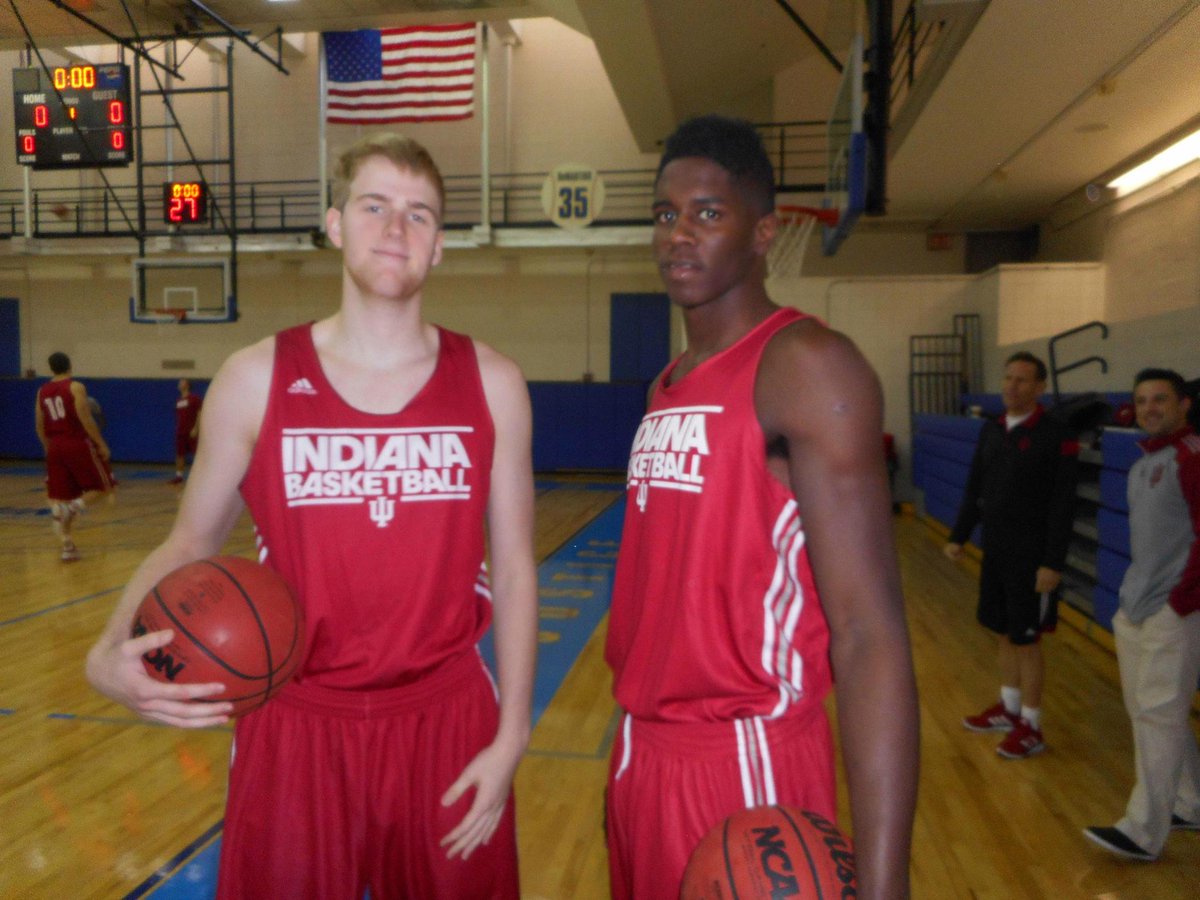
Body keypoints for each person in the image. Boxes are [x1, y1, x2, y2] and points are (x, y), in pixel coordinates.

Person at [85, 134, 538, 898]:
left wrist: (513, 735)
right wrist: (106, 653)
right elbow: (190, 541)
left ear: (441, 247)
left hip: (447, 721)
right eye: (375, 206)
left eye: (420, 214)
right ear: (334, 225)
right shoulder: (254, 377)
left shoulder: (492, 382)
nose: (397, 229)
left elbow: (518, 563)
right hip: (295, 722)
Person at [604, 115, 919, 900]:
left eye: (709, 212)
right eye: (665, 213)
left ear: (763, 232)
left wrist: (885, 886)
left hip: (748, 764)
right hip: (645, 757)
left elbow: (868, 632)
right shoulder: (667, 383)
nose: (679, 234)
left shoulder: (808, 366)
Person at [1084, 368, 1200, 861]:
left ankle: (1143, 831)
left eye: (1161, 399)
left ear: (1183, 405)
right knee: (1153, 714)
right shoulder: (1143, 462)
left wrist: (1179, 602)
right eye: (1143, 400)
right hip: (1138, 606)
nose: (1151, 408)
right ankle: (1190, 803)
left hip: (1173, 610)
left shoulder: (1192, 459)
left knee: (1158, 716)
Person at [944, 351, 1079, 759]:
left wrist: (1052, 562)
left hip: (1033, 560)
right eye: (1007, 378)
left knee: (1027, 639)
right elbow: (976, 488)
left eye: (1021, 381)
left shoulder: (1056, 434)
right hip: (996, 553)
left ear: (1040, 388)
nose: (1010, 387)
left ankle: (1032, 726)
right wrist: (960, 536)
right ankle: (1010, 708)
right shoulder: (992, 430)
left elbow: (1063, 503)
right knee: (1003, 630)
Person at [35, 351, 115, 561]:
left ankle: (67, 546)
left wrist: (48, 447)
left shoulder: (42, 391)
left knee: (61, 499)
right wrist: (101, 443)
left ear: (51, 368)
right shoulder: (75, 386)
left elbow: (39, 424)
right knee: (102, 487)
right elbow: (86, 419)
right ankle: (73, 508)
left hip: (54, 446)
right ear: (69, 366)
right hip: (75, 442)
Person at [169, 378, 202, 484]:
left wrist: (196, 428)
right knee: (180, 454)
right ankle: (179, 476)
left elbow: (199, 413)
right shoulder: (178, 401)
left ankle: (199, 475)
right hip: (181, 431)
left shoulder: (194, 398)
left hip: (191, 431)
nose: (179, 384)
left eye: (181, 382)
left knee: (196, 454)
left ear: (187, 385)